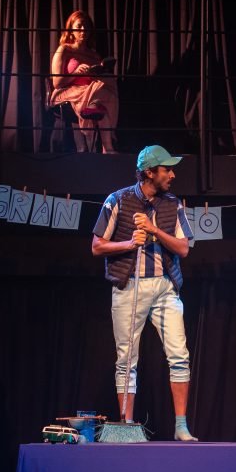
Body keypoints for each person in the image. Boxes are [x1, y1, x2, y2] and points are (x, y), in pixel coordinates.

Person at [91, 145, 197, 441]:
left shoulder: (172, 203)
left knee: (179, 355)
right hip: (129, 286)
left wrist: (154, 231)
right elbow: (97, 246)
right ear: (150, 172)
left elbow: (183, 248)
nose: (172, 175)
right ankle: (127, 426)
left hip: (165, 287)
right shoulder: (117, 200)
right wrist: (128, 244)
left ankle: (180, 427)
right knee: (126, 359)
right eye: (167, 170)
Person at [50, 10, 119, 153]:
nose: (83, 30)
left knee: (108, 80)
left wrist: (97, 71)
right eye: (79, 26)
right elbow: (57, 82)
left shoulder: (93, 54)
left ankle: (108, 148)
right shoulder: (64, 49)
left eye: (86, 27)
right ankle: (107, 146)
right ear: (71, 29)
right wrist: (76, 73)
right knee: (101, 100)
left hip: (90, 90)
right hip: (69, 91)